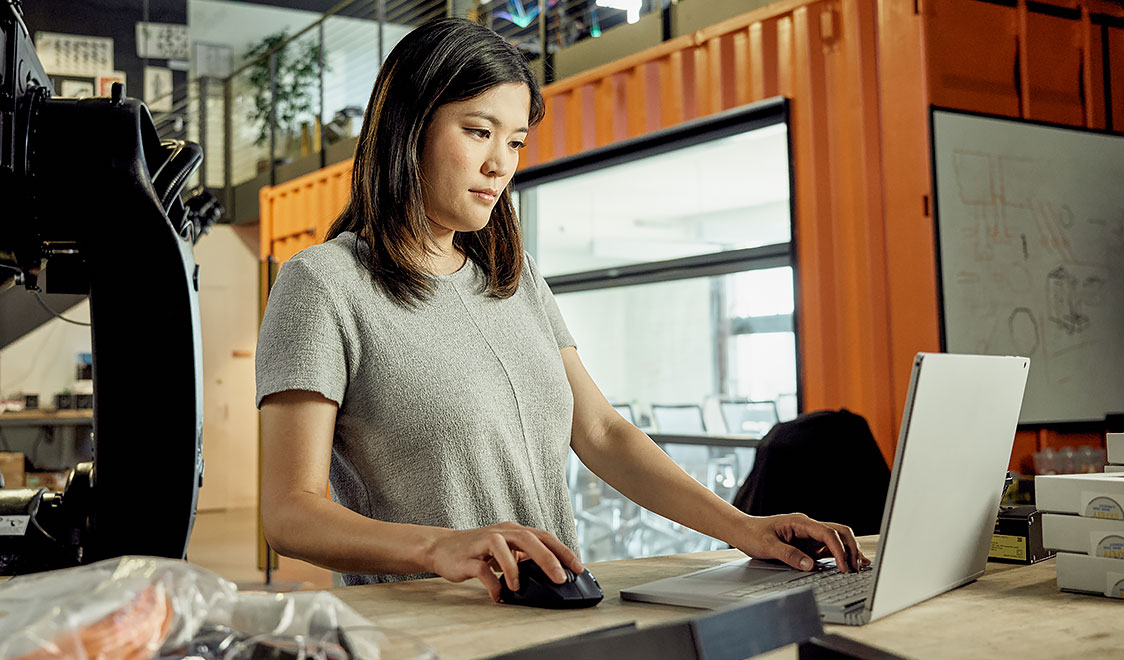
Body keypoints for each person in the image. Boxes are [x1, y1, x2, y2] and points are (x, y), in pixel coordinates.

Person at [256, 17, 868, 600]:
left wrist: (744, 528)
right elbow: (290, 510)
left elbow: (601, 433)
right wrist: (438, 547)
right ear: (408, 127)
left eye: (516, 140)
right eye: (478, 132)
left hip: (549, 618)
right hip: (427, 632)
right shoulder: (324, 284)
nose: (501, 163)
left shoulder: (515, 281)